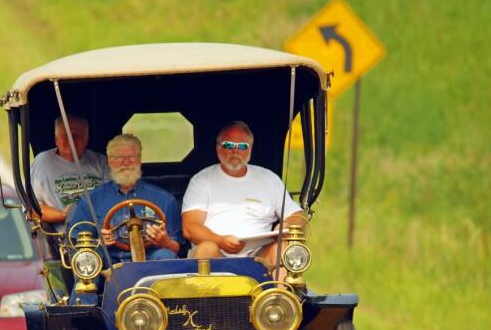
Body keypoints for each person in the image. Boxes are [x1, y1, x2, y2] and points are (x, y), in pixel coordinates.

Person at [181, 121, 307, 267]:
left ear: (250, 149)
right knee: (206, 249)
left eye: (242, 146)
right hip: (216, 254)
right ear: (217, 148)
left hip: (259, 257)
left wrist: (286, 225)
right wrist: (220, 241)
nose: (235, 151)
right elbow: (190, 228)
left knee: (282, 249)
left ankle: (280, 290)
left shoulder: (269, 179)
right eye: (229, 145)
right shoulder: (202, 180)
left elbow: (299, 215)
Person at [68, 134, 182, 263]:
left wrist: (165, 242)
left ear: (139, 160)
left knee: (165, 255)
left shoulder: (165, 199)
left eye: (131, 157)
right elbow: (77, 243)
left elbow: (177, 248)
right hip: (108, 263)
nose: (126, 162)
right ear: (110, 162)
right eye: (120, 157)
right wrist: (99, 242)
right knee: (88, 258)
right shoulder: (90, 200)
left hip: (150, 261)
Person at [30, 114, 108, 226]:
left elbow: (114, 198)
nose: (71, 140)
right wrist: (64, 215)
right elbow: (32, 210)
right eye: (66, 136)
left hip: (104, 233)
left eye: (77, 136)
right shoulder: (42, 163)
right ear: (56, 140)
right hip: (63, 238)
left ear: (87, 139)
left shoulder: (100, 162)